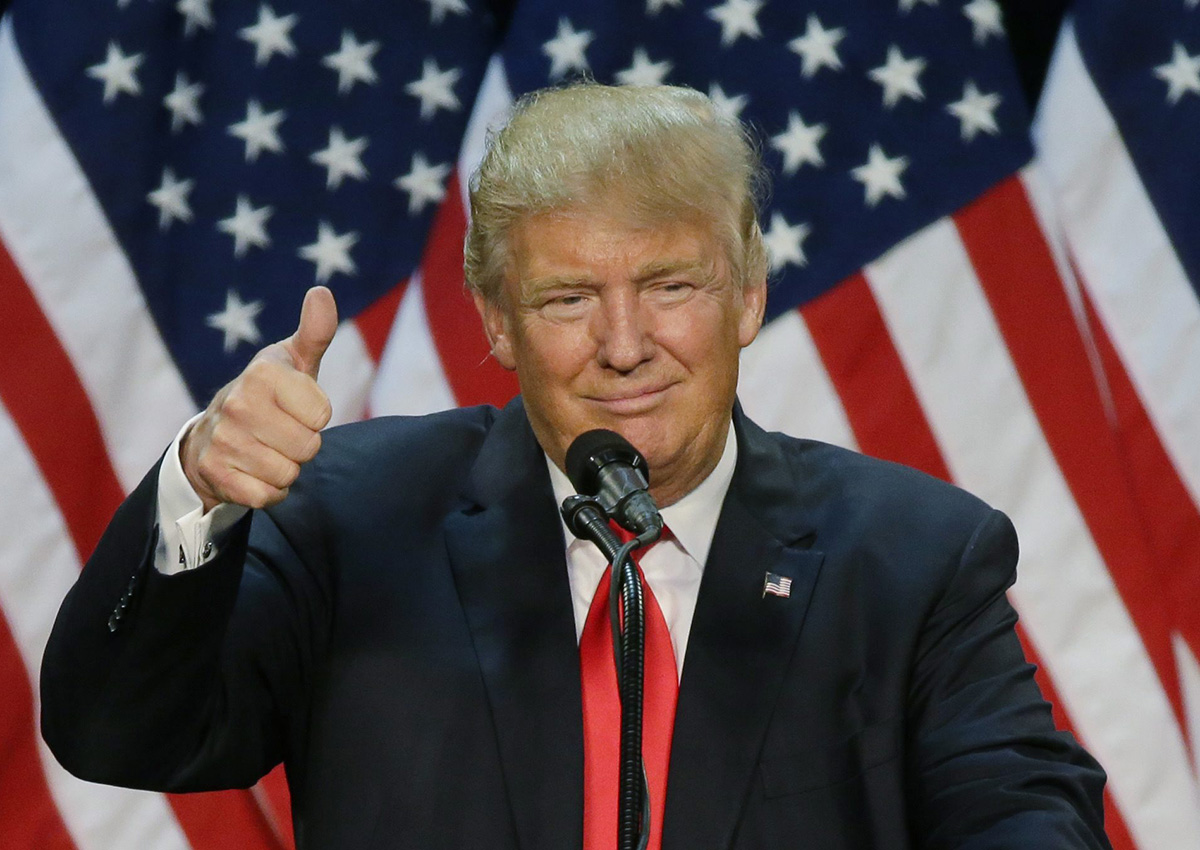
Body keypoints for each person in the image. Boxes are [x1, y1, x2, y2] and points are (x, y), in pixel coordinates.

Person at [41, 83, 1110, 849]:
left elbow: (1022, 809)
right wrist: (200, 490)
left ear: (747, 296)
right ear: (498, 323)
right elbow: (121, 737)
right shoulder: (354, 517)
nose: (625, 344)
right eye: (567, 298)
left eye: (672, 286)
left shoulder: (914, 558)